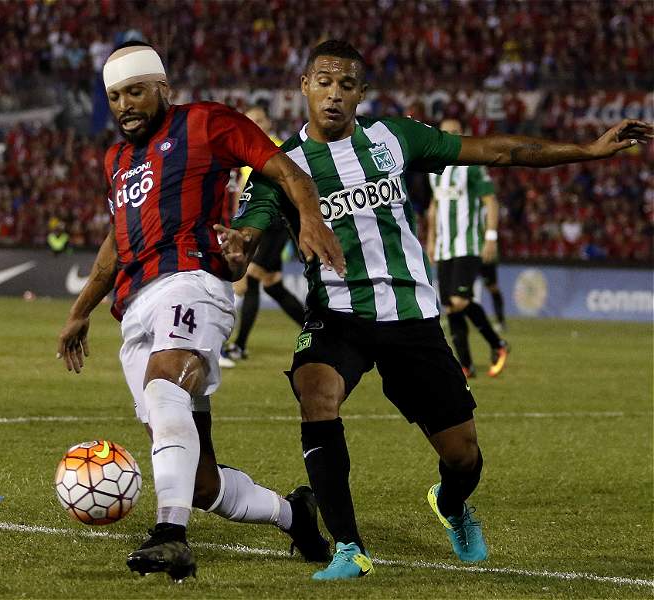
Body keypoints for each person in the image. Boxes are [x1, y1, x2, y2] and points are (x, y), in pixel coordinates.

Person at [221, 39, 652, 581]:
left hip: (411, 315)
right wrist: (234, 249)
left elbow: (500, 152)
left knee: (463, 455)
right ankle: (348, 547)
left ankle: (450, 504)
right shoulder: (281, 169)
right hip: (337, 315)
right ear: (303, 87)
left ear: (361, 93)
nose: (334, 94)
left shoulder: (394, 138)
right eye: (323, 82)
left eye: (346, 85)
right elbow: (245, 241)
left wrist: (586, 151)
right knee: (316, 393)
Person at [57, 42, 345, 581]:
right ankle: (293, 514)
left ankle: (171, 536)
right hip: (135, 305)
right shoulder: (116, 160)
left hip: (191, 282)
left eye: (136, 91)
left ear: (162, 89)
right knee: (199, 480)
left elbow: (282, 167)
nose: (126, 105)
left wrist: (307, 213)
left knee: (167, 383)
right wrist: (80, 311)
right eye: (116, 96)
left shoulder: (207, 123)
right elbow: (117, 243)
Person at [221, 104, 305, 367]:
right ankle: (315, 328)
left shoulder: (280, 149)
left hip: (275, 225)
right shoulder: (244, 151)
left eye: (258, 119)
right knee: (271, 284)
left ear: (268, 122)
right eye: (250, 120)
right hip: (256, 226)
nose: (254, 124)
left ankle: (231, 346)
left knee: (247, 280)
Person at [426, 117, 508, 378]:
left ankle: (498, 344)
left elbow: (491, 201)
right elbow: (435, 206)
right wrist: (430, 239)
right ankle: (466, 365)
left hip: (468, 243)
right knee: (451, 306)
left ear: (462, 135)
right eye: (445, 132)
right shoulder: (434, 169)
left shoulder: (472, 166)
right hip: (444, 247)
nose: (450, 136)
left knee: (460, 301)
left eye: (455, 132)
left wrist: (491, 237)